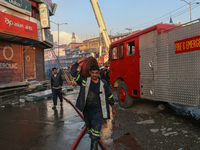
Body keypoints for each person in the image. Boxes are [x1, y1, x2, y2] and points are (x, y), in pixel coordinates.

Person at [71, 57, 117, 150]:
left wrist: (113, 106)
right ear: (89, 73)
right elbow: (73, 73)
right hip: (87, 111)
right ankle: (91, 134)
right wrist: (77, 62)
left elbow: (109, 95)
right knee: (90, 130)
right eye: (93, 73)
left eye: (96, 73)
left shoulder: (103, 83)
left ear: (98, 73)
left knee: (95, 133)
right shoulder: (84, 81)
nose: (95, 75)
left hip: (98, 111)